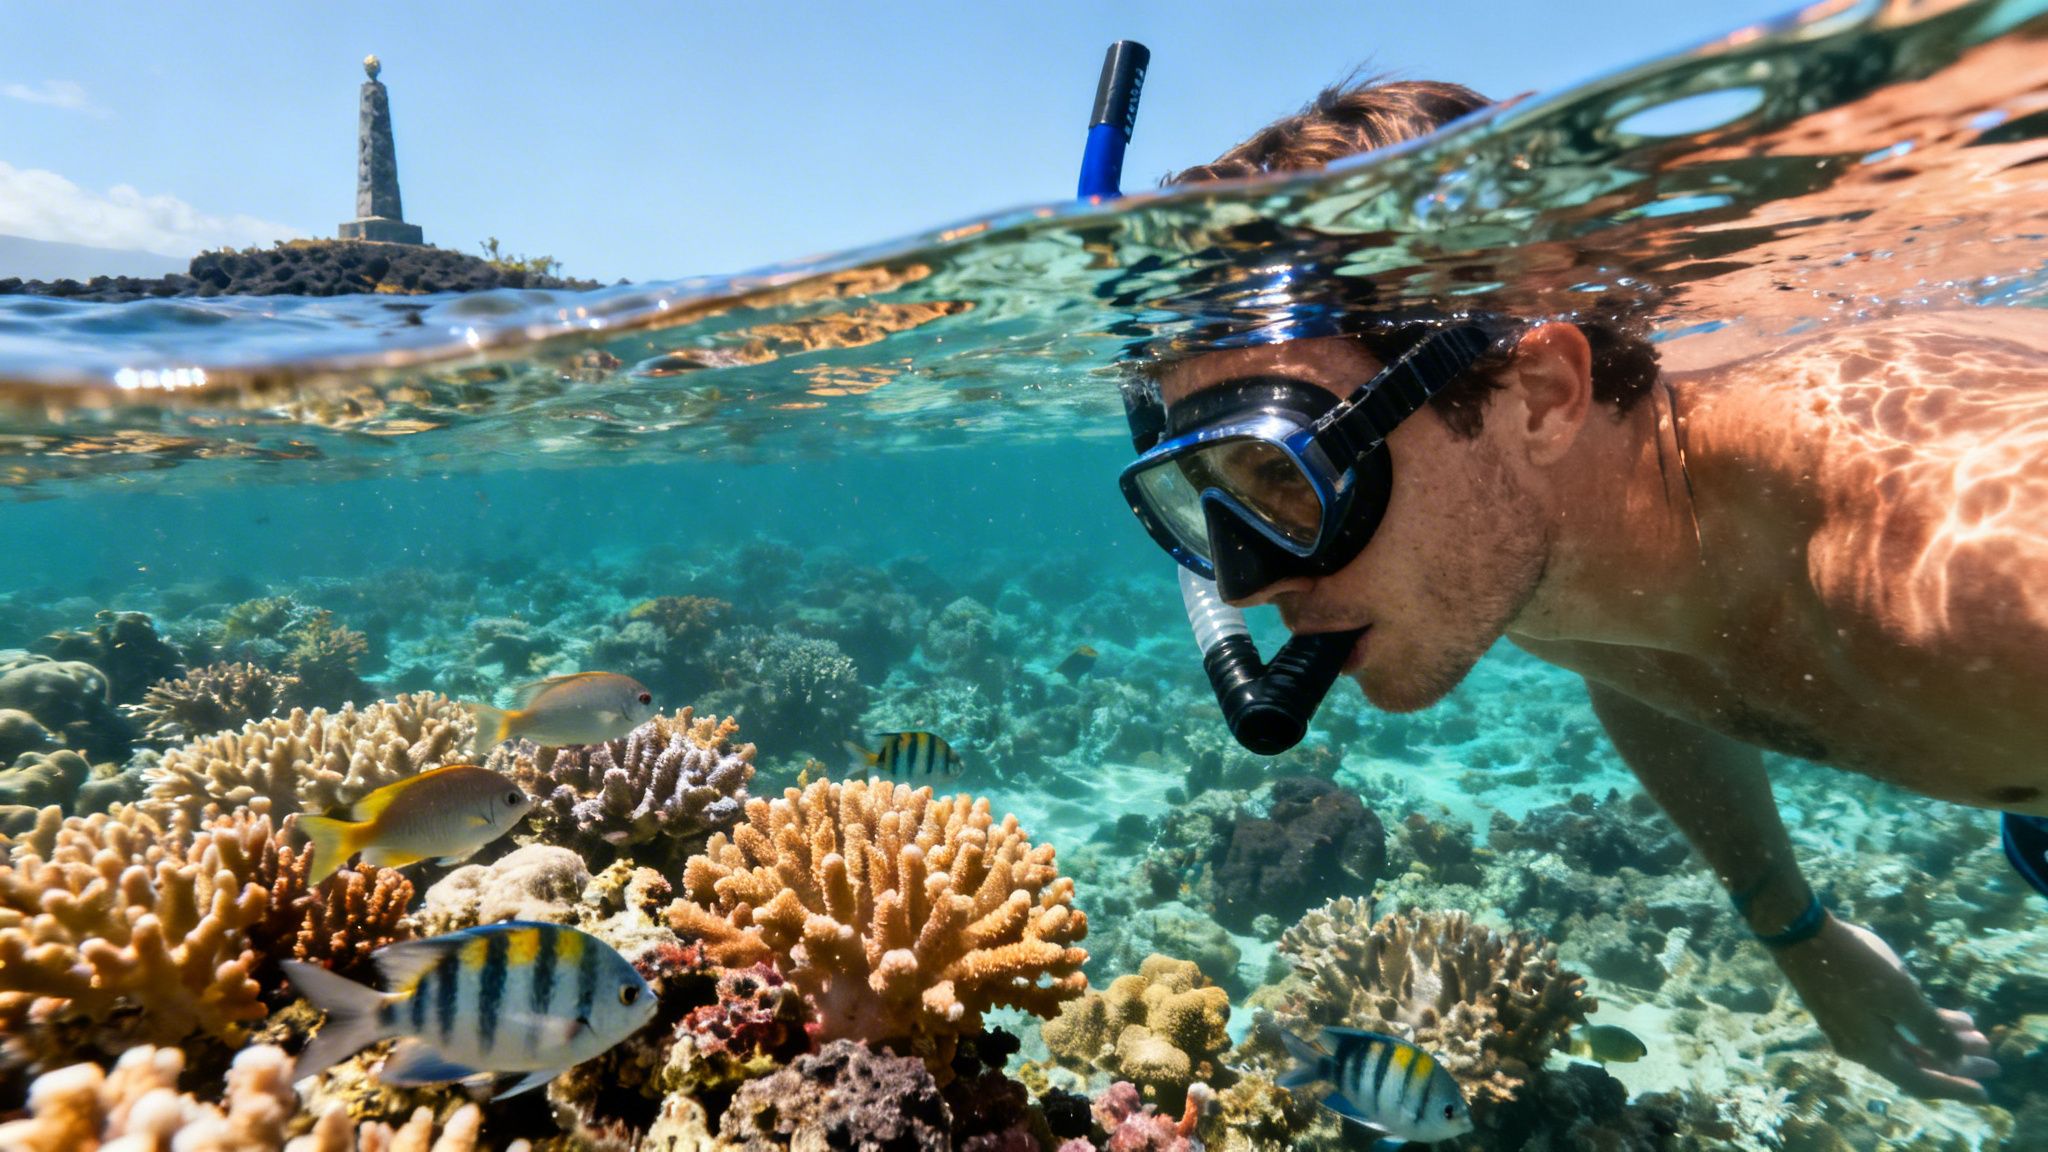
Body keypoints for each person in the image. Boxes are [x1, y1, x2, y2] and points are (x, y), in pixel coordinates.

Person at [1122, 78, 2048, 1102]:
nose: (1250, 586)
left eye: (1292, 482)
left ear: (1542, 395)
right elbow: (1641, 671)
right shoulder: (1539, 546)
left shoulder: (1977, 579)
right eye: (1212, 504)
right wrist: (1793, 927)